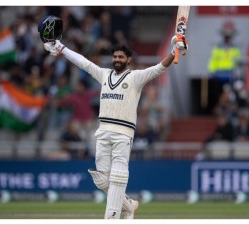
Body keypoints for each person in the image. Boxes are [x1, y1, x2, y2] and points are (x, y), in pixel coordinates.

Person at [40, 15, 186, 219]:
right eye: (114, 57)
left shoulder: (136, 77)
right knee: (101, 180)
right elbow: (83, 62)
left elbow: (159, 68)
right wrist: (61, 48)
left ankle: (112, 219)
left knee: (118, 178)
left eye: (120, 57)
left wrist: (174, 51)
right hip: (103, 132)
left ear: (128, 60)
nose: (116, 60)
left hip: (123, 134)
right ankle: (129, 205)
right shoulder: (104, 75)